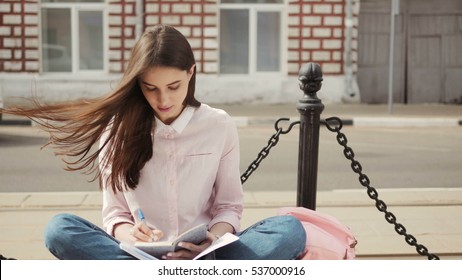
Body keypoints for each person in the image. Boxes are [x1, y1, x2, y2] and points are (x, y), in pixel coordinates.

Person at [2, 24, 306, 260]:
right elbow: (115, 214)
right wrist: (131, 233)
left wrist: (211, 238)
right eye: (151, 89)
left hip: (205, 255)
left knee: (290, 230)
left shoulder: (218, 124)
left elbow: (228, 206)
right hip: (138, 256)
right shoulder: (116, 131)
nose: (163, 100)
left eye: (174, 86)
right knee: (60, 229)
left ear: (191, 73)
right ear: (138, 85)